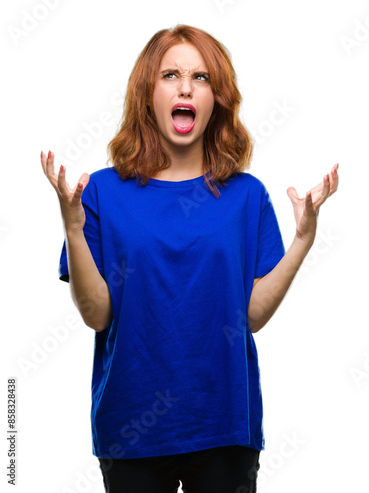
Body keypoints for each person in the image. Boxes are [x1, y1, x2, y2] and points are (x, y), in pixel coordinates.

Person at [40, 24, 339, 493]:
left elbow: (252, 317)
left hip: (224, 425)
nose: (185, 86)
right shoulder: (101, 191)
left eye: (201, 78)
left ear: (216, 98)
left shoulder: (246, 195)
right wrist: (74, 230)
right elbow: (97, 314)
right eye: (171, 75)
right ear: (147, 95)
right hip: (131, 428)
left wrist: (302, 241)